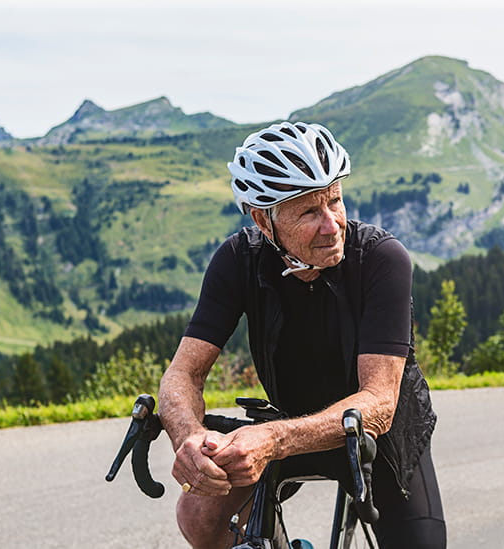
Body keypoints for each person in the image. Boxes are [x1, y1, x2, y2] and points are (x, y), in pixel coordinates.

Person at [158, 121, 445, 548]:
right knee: (199, 513)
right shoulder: (239, 260)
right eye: (309, 212)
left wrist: (272, 440)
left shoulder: (382, 258)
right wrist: (191, 440)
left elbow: (380, 403)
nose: (332, 225)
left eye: (334, 201)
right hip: (288, 421)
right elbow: (182, 375)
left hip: (378, 437)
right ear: (263, 219)